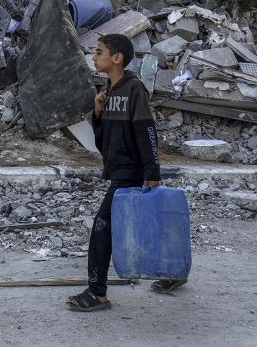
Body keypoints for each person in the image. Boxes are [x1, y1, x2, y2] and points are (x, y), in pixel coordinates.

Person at [67, 33, 185, 312]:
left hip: (131, 173)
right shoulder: (108, 93)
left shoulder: (134, 90)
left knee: (101, 228)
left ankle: (97, 293)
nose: (94, 58)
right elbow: (101, 143)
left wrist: (152, 172)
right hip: (118, 170)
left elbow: (147, 132)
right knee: (147, 224)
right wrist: (97, 113)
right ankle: (174, 273)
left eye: (99, 52)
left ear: (117, 58)